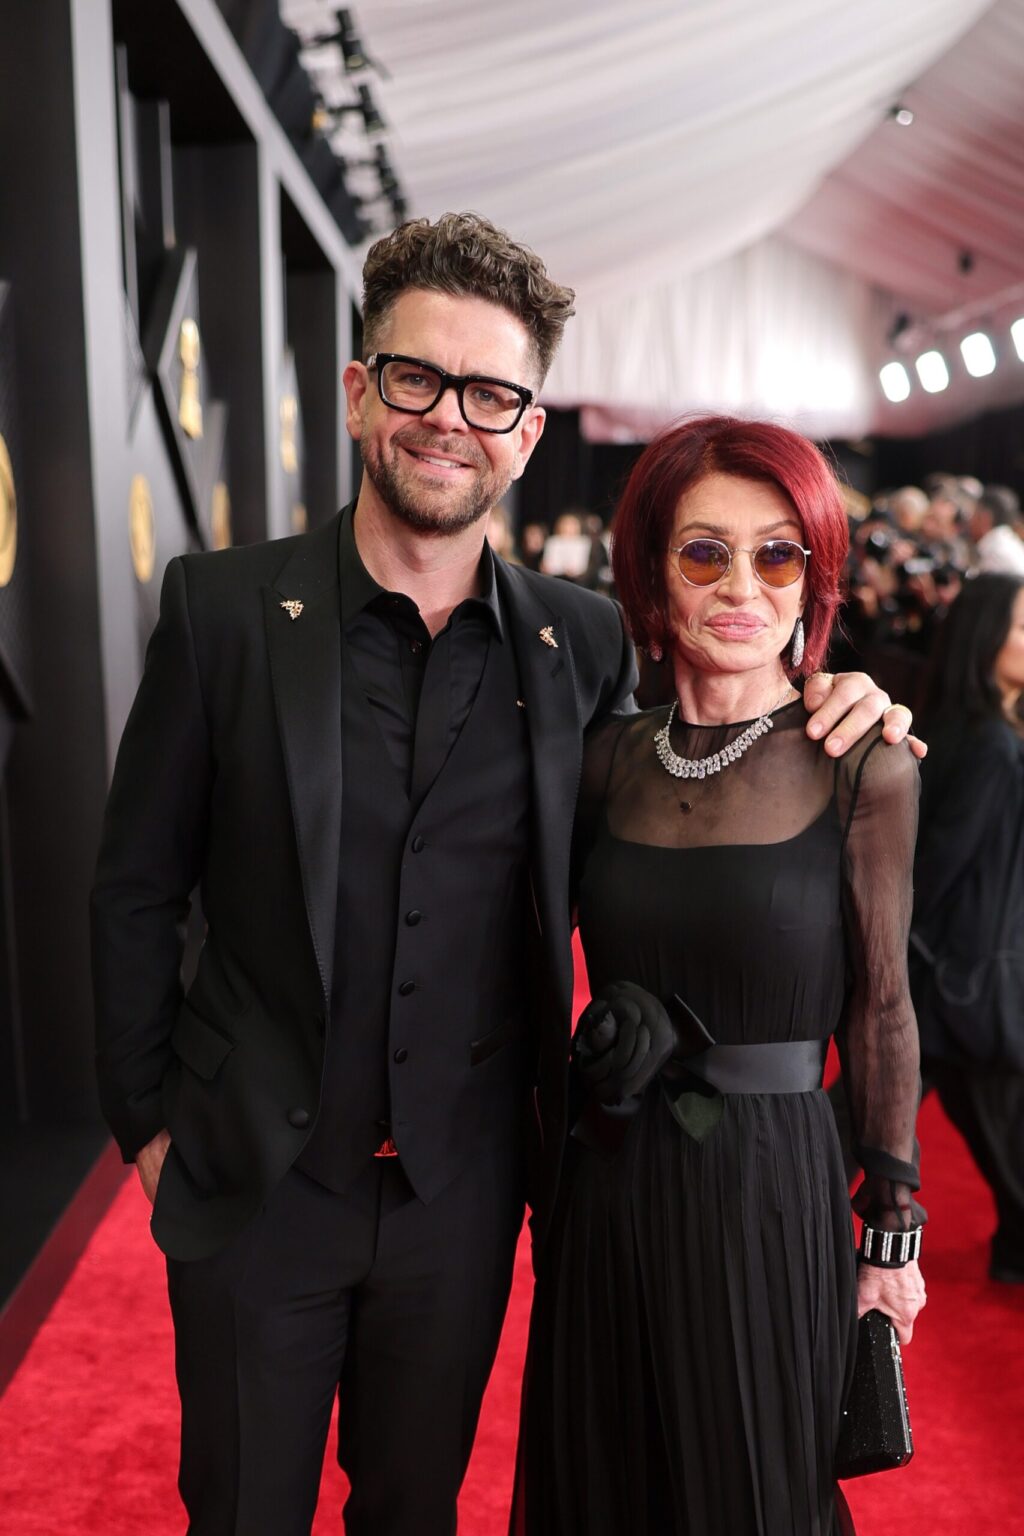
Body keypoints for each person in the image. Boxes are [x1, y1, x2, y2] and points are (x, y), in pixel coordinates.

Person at [91, 215, 919, 1536]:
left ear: (529, 430)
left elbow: (706, 741)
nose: (449, 420)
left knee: (414, 1512)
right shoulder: (222, 610)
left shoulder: (577, 642)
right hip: (257, 1188)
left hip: (463, 1195)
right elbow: (137, 886)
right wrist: (146, 1123)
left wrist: (847, 693)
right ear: (363, 392)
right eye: (417, 379)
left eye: (491, 394)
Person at [514, 416, 926, 1536]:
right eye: (704, 553)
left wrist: (890, 1237)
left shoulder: (864, 764)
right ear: (652, 578)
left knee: (755, 1488)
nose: (741, 584)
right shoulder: (602, 762)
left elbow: (882, 1004)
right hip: (607, 1185)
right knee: (606, 1483)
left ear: (812, 578)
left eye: (776, 553)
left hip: (773, 1185)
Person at [910, 573, 1024, 1284]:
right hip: (970, 979)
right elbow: (937, 865)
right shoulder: (989, 744)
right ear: (987, 639)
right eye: (1021, 628)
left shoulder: (982, 727)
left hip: (961, 974)